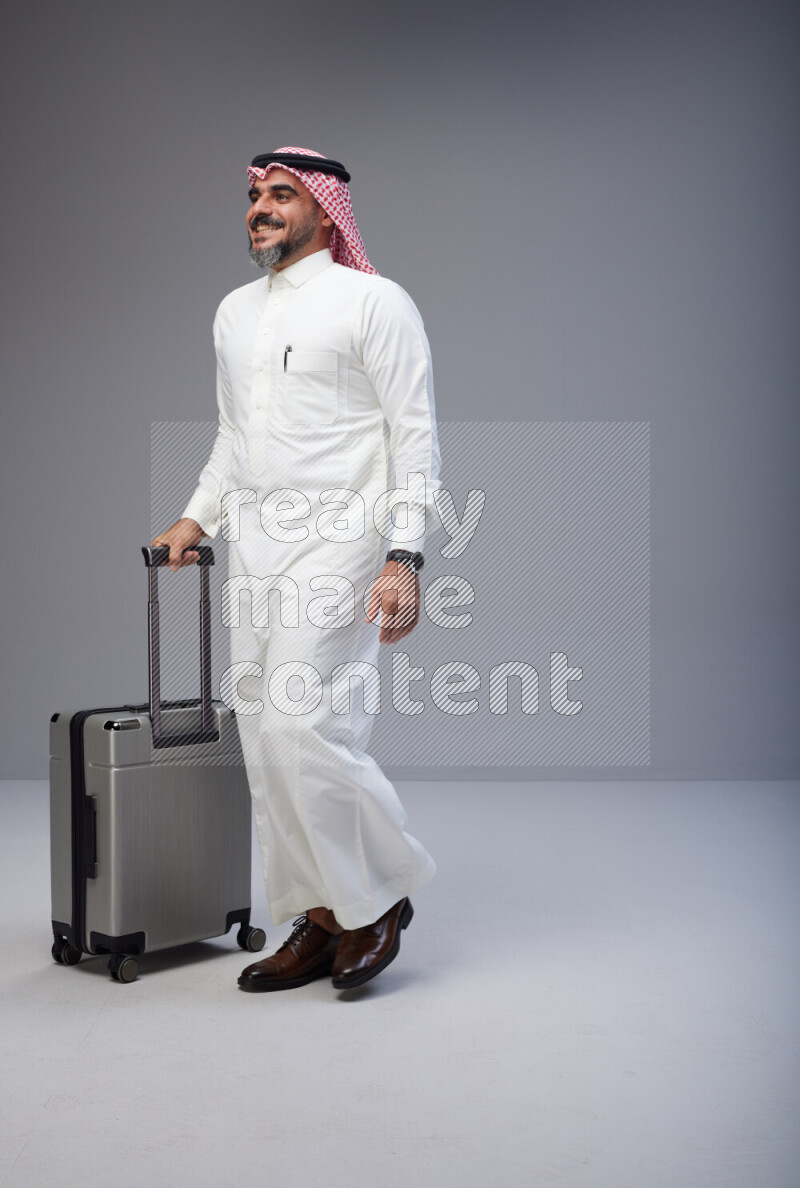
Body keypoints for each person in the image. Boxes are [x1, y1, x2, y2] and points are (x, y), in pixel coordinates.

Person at [152, 145, 442, 993]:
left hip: (346, 535)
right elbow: (232, 438)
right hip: (260, 542)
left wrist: (404, 555)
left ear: (326, 208)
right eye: (254, 195)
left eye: (282, 194)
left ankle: (379, 897)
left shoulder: (375, 303)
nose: (261, 208)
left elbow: (413, 437)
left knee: (303, 727)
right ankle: (319, 915)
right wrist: (197, 514)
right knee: (261, 732)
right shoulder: (234, 313)